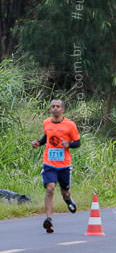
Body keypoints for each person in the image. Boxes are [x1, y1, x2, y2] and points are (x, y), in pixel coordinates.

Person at [31, 99, 80, 233]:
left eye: (58, 106)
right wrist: (39, 143)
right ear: (50, 109)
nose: (55, 109)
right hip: (49, 163)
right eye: (53, 106)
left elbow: (78, 143)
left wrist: (68, 144)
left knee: (64, 192)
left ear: (63, 109)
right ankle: (49, 220)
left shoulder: (70, 125)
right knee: (50, 188)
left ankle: (68, 200)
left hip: (64, 165)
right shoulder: (46, 122)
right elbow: (47, 136)